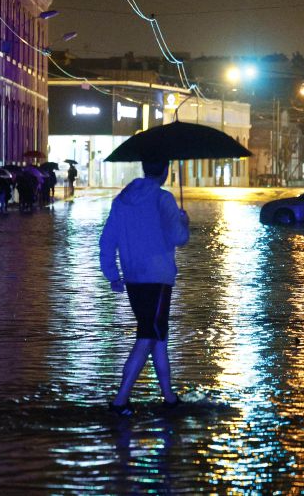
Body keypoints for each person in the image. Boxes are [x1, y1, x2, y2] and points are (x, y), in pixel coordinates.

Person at [99, 159, 190, 416]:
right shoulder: (164, 200)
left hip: (133, 277)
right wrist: (184, 222)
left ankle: (169, 398)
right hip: (158, 277)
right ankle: (120, 401)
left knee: (158, 337)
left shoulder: (122, 200)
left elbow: (107, 241)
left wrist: (112, 275)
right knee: (148, 336)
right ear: (165, 171)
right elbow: (179, 238)